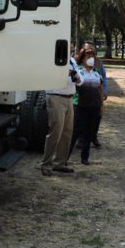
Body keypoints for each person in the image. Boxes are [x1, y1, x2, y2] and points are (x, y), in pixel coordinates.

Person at [41, 41, 80, 176]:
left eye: (73, 49)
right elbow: (52, 76)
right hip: (55, 97)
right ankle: (46, 164)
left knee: (67, 132)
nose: (72, 52)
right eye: (70, 49)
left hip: (69, 98)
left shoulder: (73, 62)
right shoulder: (53, 61)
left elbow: (80, 79)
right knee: (55, 132)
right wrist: (68, 74)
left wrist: (77, 78)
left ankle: (60, 163)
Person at [70, 47, 104, 165]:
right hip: (80, 105)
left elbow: (100, 90)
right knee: (76, 131)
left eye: (92, 56)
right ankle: (65, 157)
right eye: (88, 56)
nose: (91, 59)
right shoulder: (78, 70)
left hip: (94, 106)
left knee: (90, 132)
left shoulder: (97, 72)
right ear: (82, 59)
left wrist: (101, 106)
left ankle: (85, 157)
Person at [82, 41, 107, 148]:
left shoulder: (98, 62)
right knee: (83, 117)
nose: (90, 52)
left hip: (96, 94)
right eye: (87, 50)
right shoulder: (79, 61)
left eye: (91, 50)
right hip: (83, 95)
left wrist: (105, 91)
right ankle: (81, 138)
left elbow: (103, 77)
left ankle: (93, 136)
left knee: (97, 116)